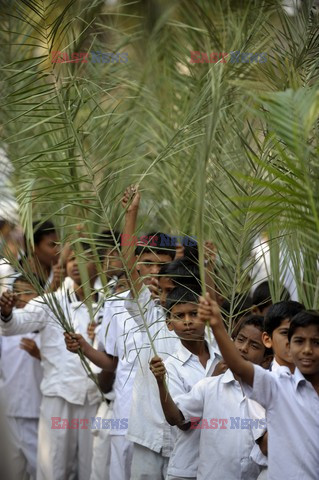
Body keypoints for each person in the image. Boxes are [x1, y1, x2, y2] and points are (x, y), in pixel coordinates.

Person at [0, 245, 102, 480]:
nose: (75, 264)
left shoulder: (108, 304)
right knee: (53, 469)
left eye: (84, 257)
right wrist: (6, 313)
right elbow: (14, 324)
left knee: (92, 470)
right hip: (58, 397)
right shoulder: (50, 302)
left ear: (97, 263)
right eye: (71, 259)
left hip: (94, 400)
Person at [201, 293, 319, 480]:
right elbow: (239, 365)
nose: (306, 349)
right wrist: (217, 325)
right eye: (297, 340)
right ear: (268, 339)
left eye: (315, 342)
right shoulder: (274, 385)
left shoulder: (308, 385)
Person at [151, 298, 267, 480]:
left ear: (267, 358)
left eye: (254, 346)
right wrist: (160, 381)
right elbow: (177, 419)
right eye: (240, 340)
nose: (243, 349)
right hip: (193, 467)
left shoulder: (270, 393)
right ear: (232, 342)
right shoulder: (210, 385)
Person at [150, 286, 221, 480]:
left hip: (224, 463)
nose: (188, 321)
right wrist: (160, 381)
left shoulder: (223, 357)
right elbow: (178, 421)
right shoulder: (171, 367)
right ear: (169, 324)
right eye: (180, 316)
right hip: (188, 467)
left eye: (194, 314)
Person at [0, 275, 42, 480]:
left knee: (38, 468)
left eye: (30, 293)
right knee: (12, 470)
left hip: (36, 411)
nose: (24, 299)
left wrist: (39, 354)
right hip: (9, 411)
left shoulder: (46, 325)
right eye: (20, 294)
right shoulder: (5, 326)